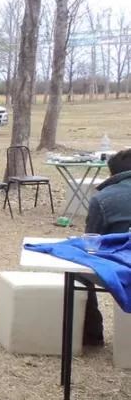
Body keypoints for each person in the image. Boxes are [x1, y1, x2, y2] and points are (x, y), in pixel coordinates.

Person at [81, 147, 131, 345]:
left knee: (80, 272)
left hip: (121, 267)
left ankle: (91, 334)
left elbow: (92, 241)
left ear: (113, 173)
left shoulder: (103, 199)